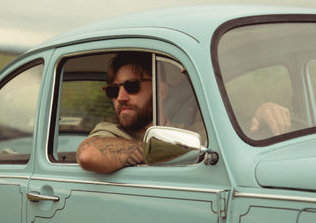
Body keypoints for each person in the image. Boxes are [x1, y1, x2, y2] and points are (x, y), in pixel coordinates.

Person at [76, 52, 290, 173]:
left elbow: (235, 139)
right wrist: (166, 150)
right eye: (113, 90)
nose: (121, 97)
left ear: (160, 90)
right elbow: (89, 155)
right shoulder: (110, 132)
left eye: (131, 86)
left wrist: (262, 112)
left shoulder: (192, 133)